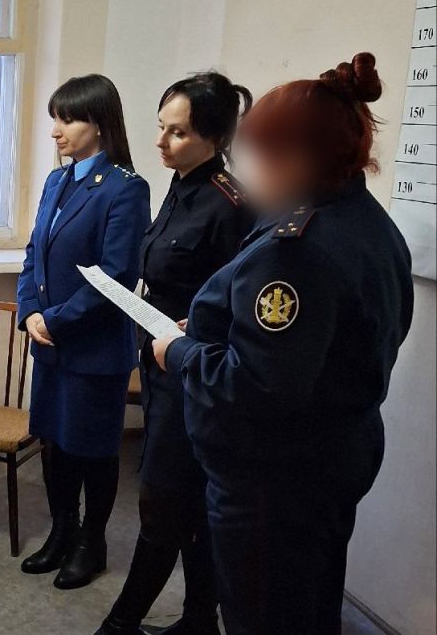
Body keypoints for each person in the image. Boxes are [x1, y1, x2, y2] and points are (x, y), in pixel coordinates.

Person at [151, 53, 413, 634]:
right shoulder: (370, 223)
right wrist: (214, 331)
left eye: (259, 155)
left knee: (263, 615)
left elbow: (257, 385)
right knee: (310, 604)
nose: (252, 172)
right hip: (333, 457)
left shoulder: (295, 250)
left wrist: (181, 351)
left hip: (274, 481)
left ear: (296, 158)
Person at [96, 72, 255, 635]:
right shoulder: (180, 184)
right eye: (161, 127)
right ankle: (198, 619)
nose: (161, 142)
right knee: (187, 503)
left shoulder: (231, 206)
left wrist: (198, 330)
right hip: (160, 362)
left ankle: (121, 623)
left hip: (194, 376)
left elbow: (240, 303)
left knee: (163, 502)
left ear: (216, 138)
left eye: (178, 132)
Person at [17, 74, 150, 590]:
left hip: (93, 348)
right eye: (56, 118)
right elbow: (34, 253)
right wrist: (30, 311)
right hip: (50, 344)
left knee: (92, 449)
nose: (56, 131)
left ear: (99, 123)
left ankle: (91, 544)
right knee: (55, 442)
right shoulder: (58, 181)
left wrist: (54, 319)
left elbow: (116, 276)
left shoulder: (125, 187)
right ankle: (61, 532)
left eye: (67, 119)